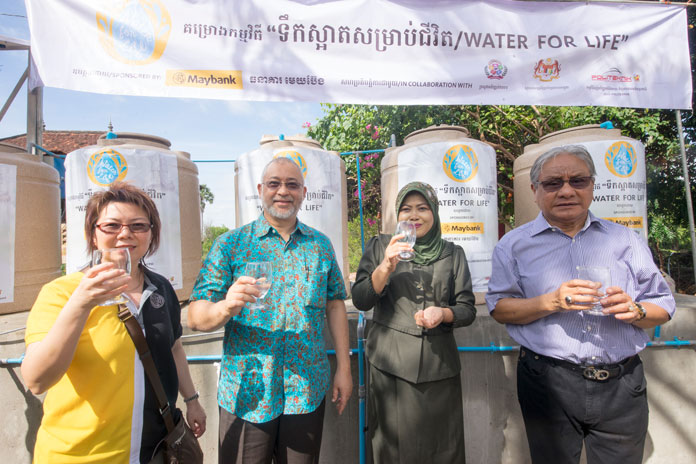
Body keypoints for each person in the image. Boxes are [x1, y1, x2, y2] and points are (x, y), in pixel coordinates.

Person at [486, 145, 675, 464]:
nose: (566, 191)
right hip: (548, 380)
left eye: (578, 181)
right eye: (553, 183)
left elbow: (663, 306)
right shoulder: (513, 246)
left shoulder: (625, 240)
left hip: (622, 384)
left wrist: (637, 311)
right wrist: (552, 301)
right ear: (534, 190)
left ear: (592, 186)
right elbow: (499, 308)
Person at [22, 182, 206, 463]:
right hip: (82, 455)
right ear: (93, 235)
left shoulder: (161, 289)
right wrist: (81, 303)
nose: (125, 234)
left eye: (138, 226)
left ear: (151, 234)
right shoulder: (61, 293)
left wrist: (192, 401)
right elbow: (37, 380)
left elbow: (174, 348)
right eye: (111, 226)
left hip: (155, 450)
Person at [187, 156, 352, 464]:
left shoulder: (320, 246)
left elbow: (334, 304)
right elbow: (195, 317)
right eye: (274, 184)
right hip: (248, 394)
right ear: (261, 189)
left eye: (292, 184)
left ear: (303, 192)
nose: (283, 191)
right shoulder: (231, 244)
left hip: (306, 390)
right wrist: (226, 306)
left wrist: (344, 368)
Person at [352, 181, 476, 464]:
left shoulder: (453, 253)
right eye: (406, 209)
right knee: (393, 451)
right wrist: (385, 266)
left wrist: (444, 314)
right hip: (390, 367)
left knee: (443, 449)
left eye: (422, 208)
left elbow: (467, 308)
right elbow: (360, 300)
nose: (413, 216)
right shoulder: (382, 246)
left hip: (440, 370)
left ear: (434, 212)